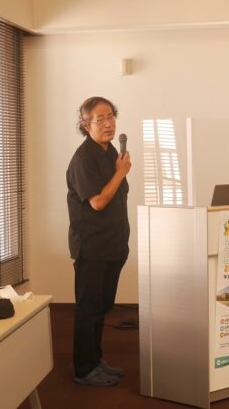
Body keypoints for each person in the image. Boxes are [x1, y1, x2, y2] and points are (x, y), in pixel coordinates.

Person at [66, 96, 131, 386]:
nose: (108, 124)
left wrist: (119, 170)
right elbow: (98, 202)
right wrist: (121, 172)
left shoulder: (110, 151)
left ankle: (95, 360)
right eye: (100, 119)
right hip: (92, 248)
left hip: (113, 246)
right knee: (88, 309)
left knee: (102, 307)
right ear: (85, 125)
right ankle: (84, 369)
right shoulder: (84, 158)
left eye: (111, 117)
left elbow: (118, 194)